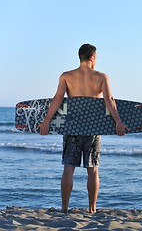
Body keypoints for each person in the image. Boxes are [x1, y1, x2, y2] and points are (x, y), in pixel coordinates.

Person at [38, 44, 128, 213]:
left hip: (72, 127)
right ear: (93, 57)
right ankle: (92, 209)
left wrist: (46, 121)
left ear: (80, 57)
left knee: (68, 168)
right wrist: (118, 122)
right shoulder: (102, 77)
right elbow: (109, 101)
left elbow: (57, 99)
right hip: (93, 128)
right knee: (93, 169)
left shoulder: (66, 76)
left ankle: (64, 208)